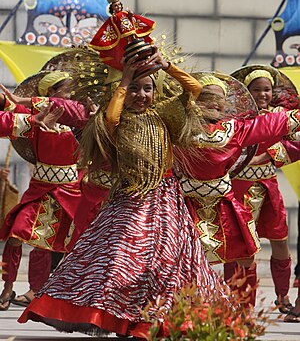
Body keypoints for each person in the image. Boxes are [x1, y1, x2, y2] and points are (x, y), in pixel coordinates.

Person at [17, 52, 230, 339]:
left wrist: (166, 66)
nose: (141, 94)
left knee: (166, 263)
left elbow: (194, 89)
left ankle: (152, 322)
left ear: (156, 90)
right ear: (123, 90)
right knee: (118, 261)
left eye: (147, 88)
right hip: (128, 201)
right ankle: (122, 319)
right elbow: (111, 116)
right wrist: (126, 77)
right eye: (134, 89)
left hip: (166, 202)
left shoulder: (165, 114)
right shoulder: (115, 121)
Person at [172, 73, 300, 308]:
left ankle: (242, 313)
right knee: (180, 257)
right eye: (206, 96)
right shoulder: (176, 125)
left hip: (224, 201)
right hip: (184, 203)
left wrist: (271, 154)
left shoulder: (235, 128)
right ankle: (179, 311)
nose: (214, 102)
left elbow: (283, 123)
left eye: (219, 98)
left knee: (245, 255)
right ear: (194, 100)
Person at [0, 71, 83, 310]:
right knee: (16, 237)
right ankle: (7, 288)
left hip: (72, 193)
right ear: (51, 93)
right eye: (67, 90)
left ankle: (68, 296)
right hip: (40, 191)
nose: (71, 96)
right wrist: (12, 101)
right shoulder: (33, 117)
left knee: (76, 245)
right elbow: (8, 109)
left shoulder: (79, 120)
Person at [228, 65, 298, 314]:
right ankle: (240, 304)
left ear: (273, 91)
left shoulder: (281, 115)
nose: (262, 94)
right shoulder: (235, 118)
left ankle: (282, 297)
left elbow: (296, 142)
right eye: (255, 89)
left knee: (281, 242)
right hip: (238, 188)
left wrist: (267, 157)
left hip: (269, 186)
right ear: (246, 92)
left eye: (266, 89)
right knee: (240, 248)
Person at [90, 0, 156, 72]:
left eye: (119, 5)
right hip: (122, 32)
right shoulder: (114, 17)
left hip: (129, 28)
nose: (118, 7)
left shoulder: (124, 13)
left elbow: (131, 17)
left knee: (133, 36)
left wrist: (130, 14)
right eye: (115, 6)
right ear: (112, 8)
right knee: (126, 40)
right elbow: (112, 25)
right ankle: (129, 44)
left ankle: (134, 41)